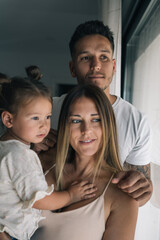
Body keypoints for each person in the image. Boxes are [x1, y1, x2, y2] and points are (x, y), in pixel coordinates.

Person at [38, 20, 152, 207]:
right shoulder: (46, 111)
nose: (96, 65)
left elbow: (143, 189)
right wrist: (29, 143)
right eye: (85, 58)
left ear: (114, 66)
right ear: (72, 67)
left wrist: (144, 188)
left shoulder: (136, 121)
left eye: (104, 57)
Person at [32, 84, 138, 240]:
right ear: (65, 126)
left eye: (95, 119)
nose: (86, 130)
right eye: (76, 121)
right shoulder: (41, 164)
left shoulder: (122, 196)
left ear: (107, 125)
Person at [0, 78, 97, 240]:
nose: (44, 126)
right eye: (35, 118)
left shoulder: (5, 147)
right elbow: (39, 200)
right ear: (8, 120)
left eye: (47, 117)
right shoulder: (22, 156)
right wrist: (71, 195)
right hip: (11, 234)